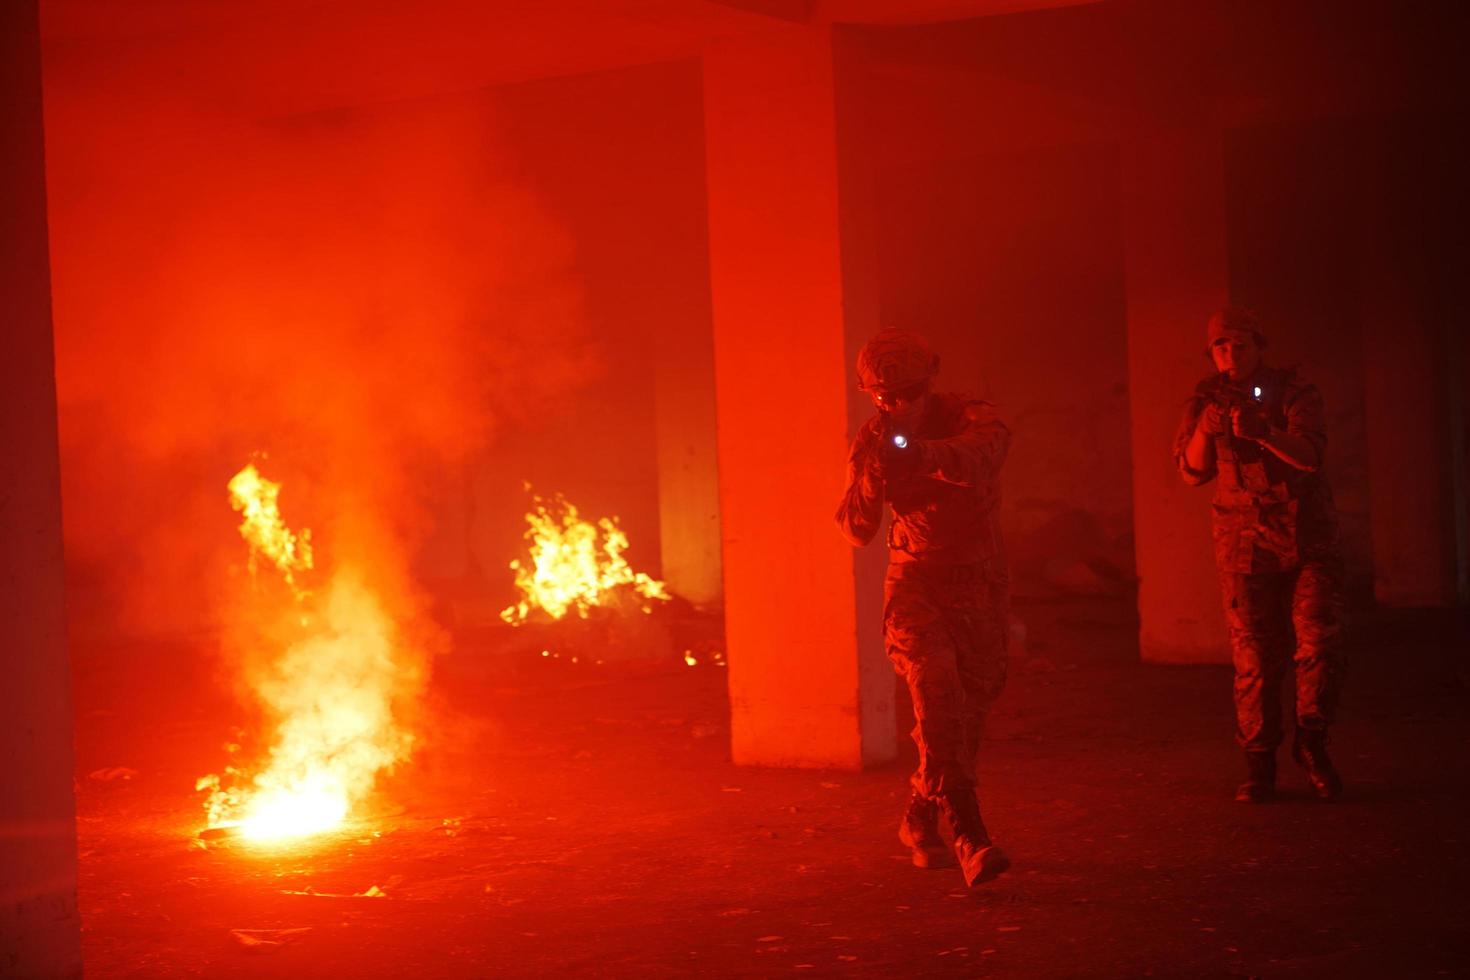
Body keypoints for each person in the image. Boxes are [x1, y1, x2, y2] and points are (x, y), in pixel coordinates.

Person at [836, 327, 1012, 888]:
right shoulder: (874, 439)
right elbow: (856, 530)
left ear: (929, 382)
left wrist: (919, 456)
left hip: (979, 585)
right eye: (885, 397)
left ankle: (918, 815)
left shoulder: (969, 417)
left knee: (966, 717)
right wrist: (874, 475)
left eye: (908, 392)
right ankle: (970, 836)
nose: (898, 405)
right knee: (935, 695)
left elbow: (981, 459)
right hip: (916, 584)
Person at [1174, 306, 1347, 803]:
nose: (1231, 355)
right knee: (1254, 659)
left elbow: (1311, 457)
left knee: (1318, 645)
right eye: (1221, 347)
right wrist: (1208, 427)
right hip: (1243, 545)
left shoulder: (1294, 391)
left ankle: (1312, 743)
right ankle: (1259, 762)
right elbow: (1190, 471)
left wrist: (1264, 433)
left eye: (1241, 345)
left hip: (1308, 538)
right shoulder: (1204, 398)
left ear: (1260, 346)